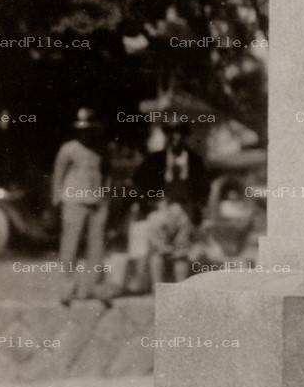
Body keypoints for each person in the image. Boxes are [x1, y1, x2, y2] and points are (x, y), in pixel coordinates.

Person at [130, 122, 209, 290]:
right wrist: (150, 204)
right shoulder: (155, 159)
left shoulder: (194, 160)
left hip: (184, 210)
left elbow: (204, 188)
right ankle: (157, 291)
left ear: (185, 136)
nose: (175, 138)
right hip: (161, 209)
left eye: (179, 133)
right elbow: (138, 183)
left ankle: (179, 293)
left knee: (181, 252)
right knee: (157, 249)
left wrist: (195, 207)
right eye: (171, 133)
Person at [51, 108, 111, 305]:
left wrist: (106, 197)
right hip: (73, 201)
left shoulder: (103, 149)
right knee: (70, 244)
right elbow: (58, 174)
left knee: (97, 246)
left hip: (96, 202)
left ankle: (97, 286)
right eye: (83, 129)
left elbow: (107, 174)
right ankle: (68, 286)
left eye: (91, 129)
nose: (87, 133)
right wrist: (56, 198)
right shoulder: (69, 149)